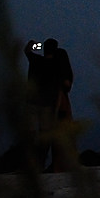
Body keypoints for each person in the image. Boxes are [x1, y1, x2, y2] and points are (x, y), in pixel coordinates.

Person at [24, 38, 76, 171]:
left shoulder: (36, 60)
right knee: (45, 136)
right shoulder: (55, 66)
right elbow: (62, 85)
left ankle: (31, 164)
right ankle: (40, 164)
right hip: (47, 105)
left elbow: (27, 50)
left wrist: (34, 44)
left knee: (31, 135)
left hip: (32, 103)